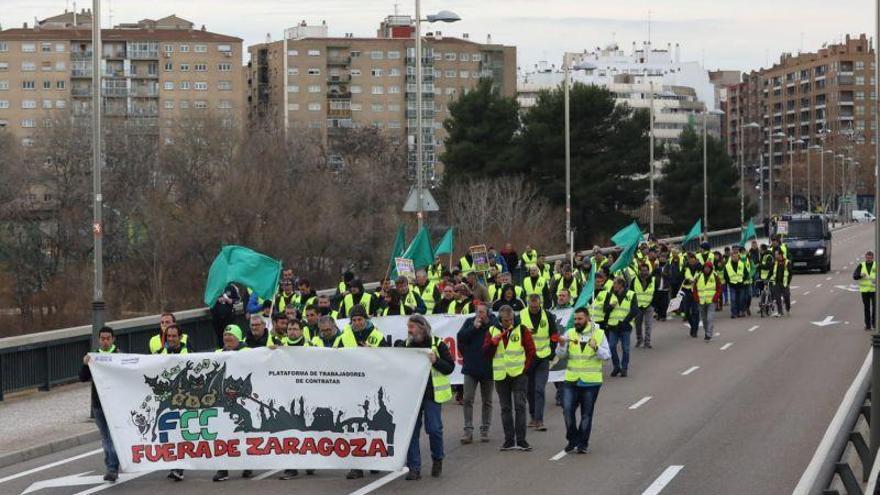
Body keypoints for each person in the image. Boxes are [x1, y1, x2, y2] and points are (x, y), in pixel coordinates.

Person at [400, 315, 455, 480]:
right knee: (411, 432)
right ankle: (414, 468)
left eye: (412, 327)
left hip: (431, 395)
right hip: (412, 395)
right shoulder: (405, 345)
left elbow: (449, 367)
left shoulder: (438, 344)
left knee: (434, 429)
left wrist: (436, 360)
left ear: (422, 328)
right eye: (408, 327)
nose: (409, 330)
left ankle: (438, 458)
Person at [556, 308, 611, 454]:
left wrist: (596, 348)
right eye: (575, 319)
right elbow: (560, 355)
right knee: (567, 410)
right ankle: (572, 438)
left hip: (590, 382)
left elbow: (606, 356)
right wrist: (561, 345)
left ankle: (583, 443)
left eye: (579, 319)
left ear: (587, 318)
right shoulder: (570, 333)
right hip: (571, 380)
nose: (577, 322)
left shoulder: (598, 334)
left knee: (586, 415)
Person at [483, 305, 536, 451]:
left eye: (511, 319)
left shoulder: (522, 329)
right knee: (505, 408)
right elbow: (486, 353)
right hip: (501, 375)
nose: (509, 323)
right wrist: (493, 344)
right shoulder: (492, 331)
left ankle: (521, 440)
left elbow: (531, 350)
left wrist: (525, 369)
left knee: (519, 406)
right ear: (500, 319)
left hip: (519, 374)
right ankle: (508, 440)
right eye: (506, 321)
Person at [213, 325, 253, 481]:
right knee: (221, 435)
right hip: (222, 403)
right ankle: (222, 470)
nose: (227, 338)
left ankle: (249, 464)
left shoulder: (248, 352)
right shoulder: (217, 354)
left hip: (241, 401)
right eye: (225, 335)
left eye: (231, 335)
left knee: (243, 433)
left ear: (239, 337)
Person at [80, 326, 119, 482]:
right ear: (98, 340)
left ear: (113, 339)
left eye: (108, 338)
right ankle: (111, 466)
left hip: (114, 404)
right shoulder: (93, 356)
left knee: (112, 437)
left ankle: (113, 467)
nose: (105, 341)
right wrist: (85, 364)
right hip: (98, 404)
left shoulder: (119, 355)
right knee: (105, 438)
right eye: (102, 338)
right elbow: (83, 378)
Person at [457, 303, 497, 444]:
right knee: (468, 399)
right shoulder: (470, 323)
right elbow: (460, 338)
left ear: (488, 313)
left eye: (481, 312)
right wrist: (474, 328)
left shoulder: (494, 324)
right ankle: (468, 431)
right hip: (471, 368)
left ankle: (484, 430)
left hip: (488, 368)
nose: (479, 314)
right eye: (477, 312)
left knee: (487, 401)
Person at [520, 294, 558, 432]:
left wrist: (552, 351)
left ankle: (539, 420)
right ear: (528, 304)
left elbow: (554, 334)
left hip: (543, 357)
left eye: (536, 306)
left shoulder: (547, 315)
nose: (534, 308)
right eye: (532, 306)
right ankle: (532, 416)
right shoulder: (521, 315)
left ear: (540, 304)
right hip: (528, 359)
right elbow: (514, 334)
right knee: (529, 390)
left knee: (539, 389)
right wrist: (524, 332)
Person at [603, 277, 637, 377]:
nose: (613, 285)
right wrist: (610, 306)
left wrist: (626, 321)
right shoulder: (610, 295)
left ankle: (624, 368)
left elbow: (635, 310)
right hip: (613, 326)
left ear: (621, 284)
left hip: (625, 326)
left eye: (615, 283)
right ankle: (616, 366)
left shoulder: (631, 294)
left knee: (625, 348)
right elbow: (605, 309)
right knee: (612, 346)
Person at [692, 262, 721, 341]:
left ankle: (708, 334)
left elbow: (719, 287)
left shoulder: (715, 276)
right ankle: (706, 331)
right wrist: (696, 298)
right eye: (705, 267)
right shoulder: (698, 276)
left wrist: (716, 297)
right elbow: (694, 288)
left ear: (711, 268)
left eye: (708, 268)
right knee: (704, 319)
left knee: (709, 318)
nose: (706, 269)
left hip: (711, 301)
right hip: (701, 301)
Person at [632, 263, 655, 349]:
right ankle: (639, 340)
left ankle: (647, 342)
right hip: (638, 306)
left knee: (648, 324)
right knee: (638, 324)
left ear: (648, 271)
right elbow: (631, 293)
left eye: (646, 270)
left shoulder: (653, 280)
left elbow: (656, 292)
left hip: (649, 306)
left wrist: (653, 304)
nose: (644, 272)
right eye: (642, 270)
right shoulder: (634, 280)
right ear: (639, 271)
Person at [854, 251, 877, 330]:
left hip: (874, 290)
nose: (868, 259)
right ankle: (868, 325)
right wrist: (860, 275)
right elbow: (855, 276)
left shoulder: (876, 265)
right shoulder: (861, 265)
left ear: (872, 257)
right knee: (866, 308)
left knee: (875, 307)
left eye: (870, 258)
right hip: (864, 290)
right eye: (867, 257)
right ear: (865, 257)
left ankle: (875, 324)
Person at [724, 246, 747, 318]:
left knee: (741, 299)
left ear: (738, 257)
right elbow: (726, 275)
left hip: (741, 284)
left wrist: (743, 280)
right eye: (733, 257)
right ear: (731, 257)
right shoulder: (727, 266)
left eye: (736, 256)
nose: (735, 258)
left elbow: (746, 273)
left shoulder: (742, 264)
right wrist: (729, 282)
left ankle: (741, 311)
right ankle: (733, 313)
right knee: (733, 299)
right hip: (732, 285)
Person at [771, 250, 793, 317]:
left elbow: (790, 274)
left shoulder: (787, 262)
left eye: (776, 254)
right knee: (777, 298)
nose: (775, 256)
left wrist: (788, 282)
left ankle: (788, 308)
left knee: (786, 297)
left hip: (784, 283)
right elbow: (771, 272)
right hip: (776, 283)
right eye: (775, 254)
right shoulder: (775, 262)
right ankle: (780, 312)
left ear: (780, 255)